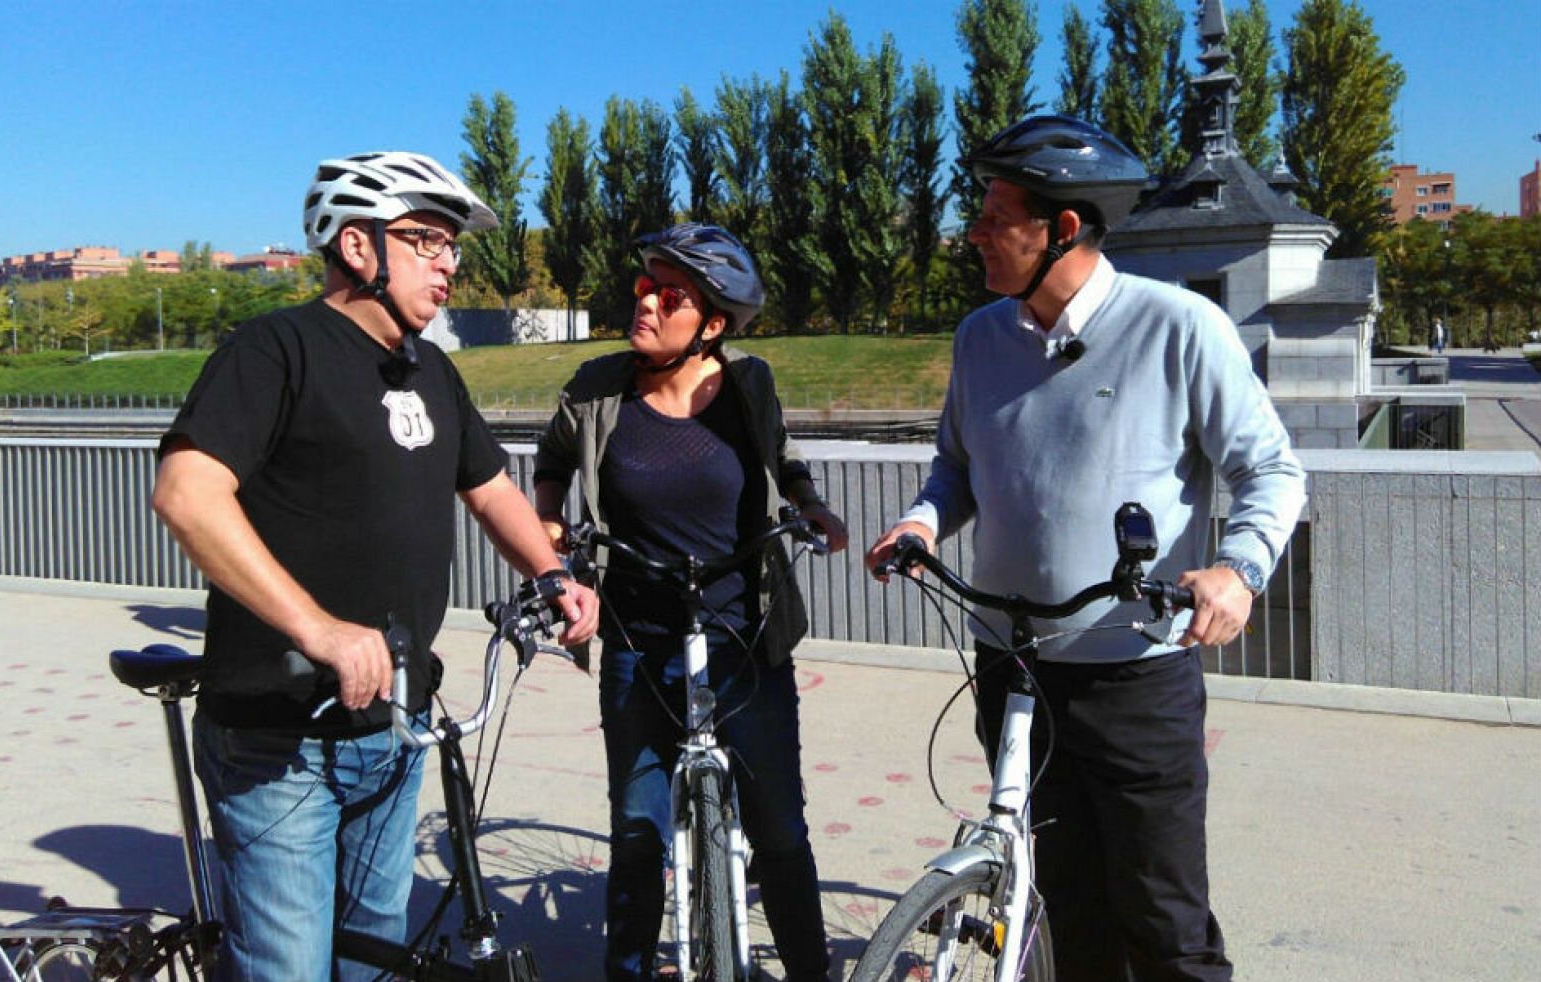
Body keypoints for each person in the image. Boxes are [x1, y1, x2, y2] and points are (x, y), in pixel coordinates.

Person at [866, 116, 1306, 982]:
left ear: (1062, 228)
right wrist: (921, 520)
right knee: (1064, 908)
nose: (976, 231)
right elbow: (955, 469)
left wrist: (1238, 569)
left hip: (1134, 675)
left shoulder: (1179, 327)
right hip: (1012, 665)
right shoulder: (979, 338)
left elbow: (1274, 471)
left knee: (1163, 919)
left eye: (997, 214)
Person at [151, 150, 598, 981]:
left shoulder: (433, 369)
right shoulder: (276, 349)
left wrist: (552, 574)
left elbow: (493, 487)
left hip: (394, 725)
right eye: (427, 239)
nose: (450, 263)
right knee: (287, 967)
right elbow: (186, 493)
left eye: (451, 245)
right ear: (359, 247)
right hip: (279, 736)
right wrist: (318, 627)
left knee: (376, 961)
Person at [531, 223, 849, 982]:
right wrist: (549, 539)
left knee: (779, 829)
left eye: (668, 294)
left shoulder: (749, 383)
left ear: (711, 325)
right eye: (643, 285)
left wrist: (810, 505)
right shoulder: (596, 387)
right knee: (637, 833)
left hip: (745, 634)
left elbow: (782, 454)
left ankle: (811, 972)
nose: (644, 301)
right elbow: (550, 463)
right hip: (639, 640)